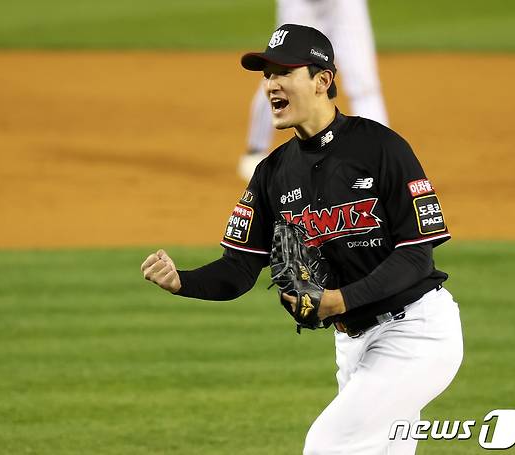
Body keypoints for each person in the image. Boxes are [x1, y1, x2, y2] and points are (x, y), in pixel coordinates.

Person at [141, 24, 463, 455]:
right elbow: (238, 269)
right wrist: (182, 281)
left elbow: (416, 256)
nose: (270, 84)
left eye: (282, 72)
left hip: (416, 335)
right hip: (352, 346)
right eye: (266, 75)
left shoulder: (381, 147)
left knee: (326, 445)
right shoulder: (272, 173)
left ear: (322, 81)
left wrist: (340, 299)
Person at [239, 0, 388, 181]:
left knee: (364, 83)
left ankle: (379, 157)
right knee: (281, 72)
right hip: (301, 5)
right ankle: (256, 148)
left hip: (345, 5)